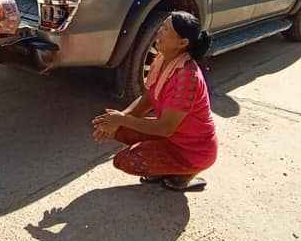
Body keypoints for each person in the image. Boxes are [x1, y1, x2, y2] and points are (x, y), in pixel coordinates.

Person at [92, 11, 217, 189]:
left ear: (183, 43)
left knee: (124, 161)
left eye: (166, 30)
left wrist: (121, 119)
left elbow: (165, 128)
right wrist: (118, 118)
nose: (159, 31)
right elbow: (150, 97)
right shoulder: (163, 59)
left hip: (192, 150)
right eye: (161, 27)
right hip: (172, 137)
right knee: (121, 130)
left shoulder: (188, 78)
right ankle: (162, 169)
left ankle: (184, 176)